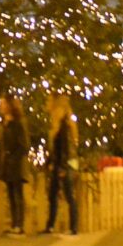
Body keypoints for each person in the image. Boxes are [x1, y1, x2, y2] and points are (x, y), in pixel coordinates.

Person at [42, 93, 78, 236]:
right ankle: (50, 225)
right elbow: (55, 149)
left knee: (69, 195)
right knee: (53, 195)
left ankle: (73, 227)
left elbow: (65, 148)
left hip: (65, 164)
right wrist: (49, 163)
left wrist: (63, 167)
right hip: (61, 164)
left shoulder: (64, 127)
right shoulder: (57, 127)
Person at [0, 95, 29, 237]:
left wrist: (13, 158)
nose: (0, 106)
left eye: (3, 103)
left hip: (16, 164)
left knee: (17, 194)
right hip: (8, 164)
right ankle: (14, 224)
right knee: (11, 195)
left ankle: (19, 226)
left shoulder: (18, 123)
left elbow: (24, 145)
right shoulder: (5, 123)